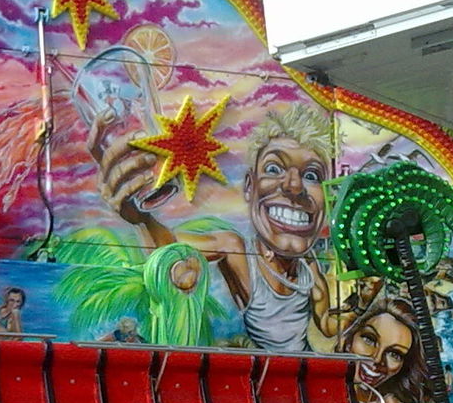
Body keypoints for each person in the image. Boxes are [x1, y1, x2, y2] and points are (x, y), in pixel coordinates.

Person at [93, 102, 333, 352]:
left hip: (307, 367)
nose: (294, 186)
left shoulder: (309, 267)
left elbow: (327, 324)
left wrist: (356, 308)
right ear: (250, 186)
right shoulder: (238, 251)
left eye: (311, 175)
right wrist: (141, 219)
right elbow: (170, 247)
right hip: (262, 369)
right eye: (274, 168)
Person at [337, 290, 441, 403]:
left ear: (403, 366)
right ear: (350, 341)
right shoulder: (331, 391)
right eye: (369, 339)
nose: (377, 359)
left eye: (394, 354)